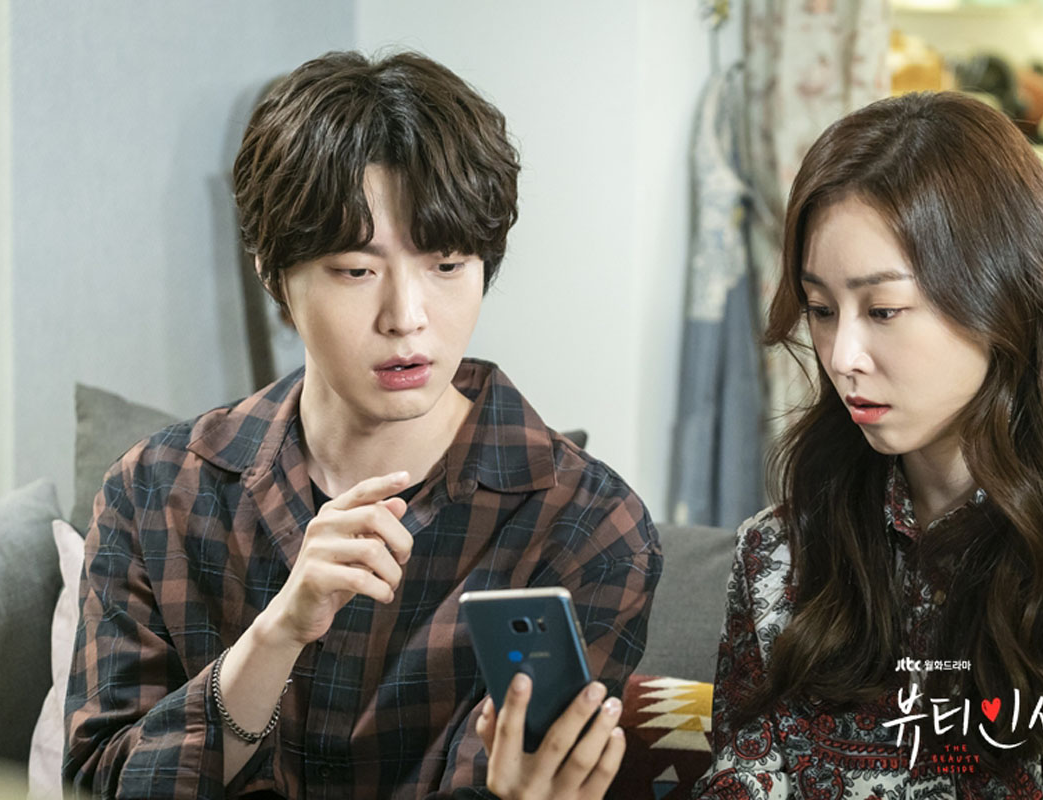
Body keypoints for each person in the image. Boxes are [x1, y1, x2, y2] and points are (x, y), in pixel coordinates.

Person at [63, 50, 661, 800]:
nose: (407, 317)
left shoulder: (589, 526)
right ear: (272, 270)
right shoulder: (154, 493)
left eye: (447, 265)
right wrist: (278, 633)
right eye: (356, 270)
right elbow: (102, 783)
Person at [693, 92, 1043, 799]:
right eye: (822, 310)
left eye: (884, 310)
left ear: (1004, 300)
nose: (842, 356)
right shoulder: (778, 555)